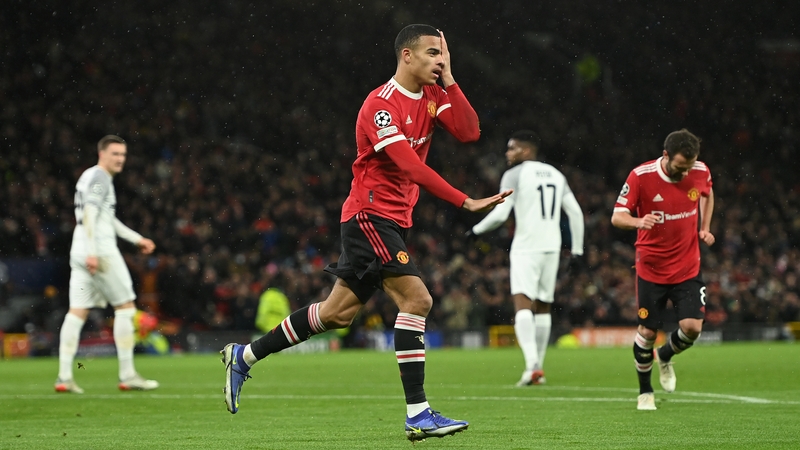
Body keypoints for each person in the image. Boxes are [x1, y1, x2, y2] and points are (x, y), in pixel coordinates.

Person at [220, 24, 511, 441]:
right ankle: (418, 412)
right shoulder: (380, 105)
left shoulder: (431, 96)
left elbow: (469, 132)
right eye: (432, 54)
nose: (439, 61)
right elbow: (409, 165)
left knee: (336, 313)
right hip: (369, 216)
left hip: (392, 220)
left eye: (443, 55)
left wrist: (449, 79)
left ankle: (244, 356)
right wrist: (464, 201)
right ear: (407, 56)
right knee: (417, 299)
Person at [467, 130, 584, 387]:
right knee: (543, 305)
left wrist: (475, 231)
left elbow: (500, 214)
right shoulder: (556, 174)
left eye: (512, 148)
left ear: (526, 150)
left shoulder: (514, 174)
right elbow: (575, 212)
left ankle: (531, 365)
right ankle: (538, 367)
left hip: (526, 247)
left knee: (522, 304)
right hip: (551, 247)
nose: (508, 153)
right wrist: (577, 250)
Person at [610, 129, 715, 410]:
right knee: (646, 331)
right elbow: (617, 216)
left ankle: (665, 355)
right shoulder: (641, 176)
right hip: (651, 268)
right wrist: (638, 221)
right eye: (680, 167)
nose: (684, 173)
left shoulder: (699, 169)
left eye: (688, 166)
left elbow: (707, 192)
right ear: (666, 155)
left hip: (687, 265)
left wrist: (704, 228)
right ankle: (645, 391)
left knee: (692, 328)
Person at [55, 135, 159, 393]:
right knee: (125, 308)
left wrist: (136, 239)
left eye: (123, 155)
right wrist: (93, 252)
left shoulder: (87, 177)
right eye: (115, 154)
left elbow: (105, 218)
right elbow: (90, 212)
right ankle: (128, 374)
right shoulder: (100, 177)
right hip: (98, 251)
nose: (120, 159)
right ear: (101, 153)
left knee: (77, 311)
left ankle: (64, 377)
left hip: (78, 250)